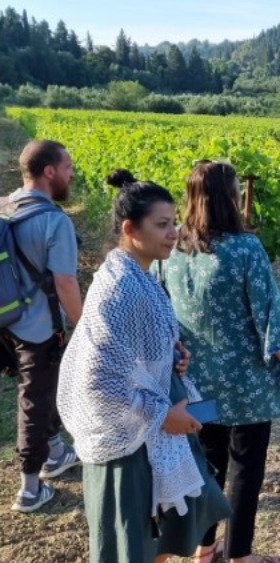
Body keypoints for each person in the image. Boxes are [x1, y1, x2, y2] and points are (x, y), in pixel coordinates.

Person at [57, 173, 231, 563]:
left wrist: (172, 355)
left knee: (154, 537)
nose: (174, 233)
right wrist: (161, 415)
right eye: (162, 224)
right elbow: (97, 377)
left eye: (174, 223)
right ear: (129, 229)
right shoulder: (121, 287)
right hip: (130, 435)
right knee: (133, 543)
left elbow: (134, 347)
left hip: (146, 430)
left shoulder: (140, 273)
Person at [164, 159, 280, 563]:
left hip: (196, 382)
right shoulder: (245, 247)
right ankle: (240, 555)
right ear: (230, 196)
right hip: (247, 387)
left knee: (208, 463)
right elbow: (269, 316)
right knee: (245, 467)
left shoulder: (172, 248)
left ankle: (203, 548)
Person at [1, 140, 82, 513]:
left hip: (7, 320)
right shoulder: (54, 221)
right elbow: (65, 283)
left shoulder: (4, 205)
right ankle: (31, 488)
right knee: (33, 400)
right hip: (38, 327)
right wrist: (83, 325)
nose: (71, 174)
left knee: (43, 387)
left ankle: (53, 453)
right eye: (67, 167)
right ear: (49, 171)